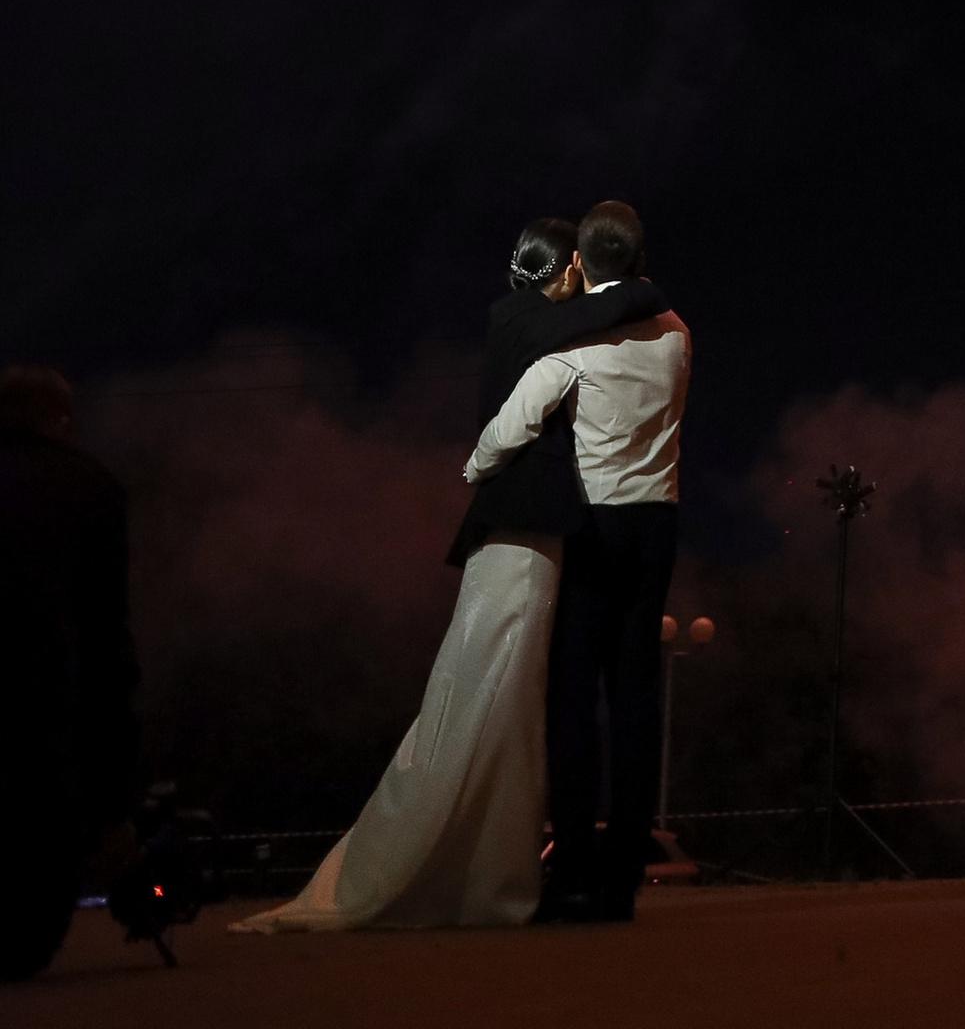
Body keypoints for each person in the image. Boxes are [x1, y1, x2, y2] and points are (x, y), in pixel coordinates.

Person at [237, 216, 665, 935]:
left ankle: (483, 858)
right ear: (564, 273)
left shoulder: (520, 316)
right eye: (576, 273)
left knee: (495, 691)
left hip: (522, 529)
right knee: (495, 686)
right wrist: (641, 277)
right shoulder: (534, 321)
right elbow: (616, 307)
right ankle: (472, 861)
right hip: (527, 532)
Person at [465, 198, 689, 926]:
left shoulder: (572, 350)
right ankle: (623, 879)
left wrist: (474, 470)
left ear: (578, 266)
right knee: (634, 698)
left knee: (572, 700)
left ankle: (572, 877)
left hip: (592, 526)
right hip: (658, 522)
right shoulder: (678, 335)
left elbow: (510, 426)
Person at [0, 366, 138, 981]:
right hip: (46, 670)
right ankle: (23, 946)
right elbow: (105, 608)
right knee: (46, 808)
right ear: (59, 418)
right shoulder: (91, 485)